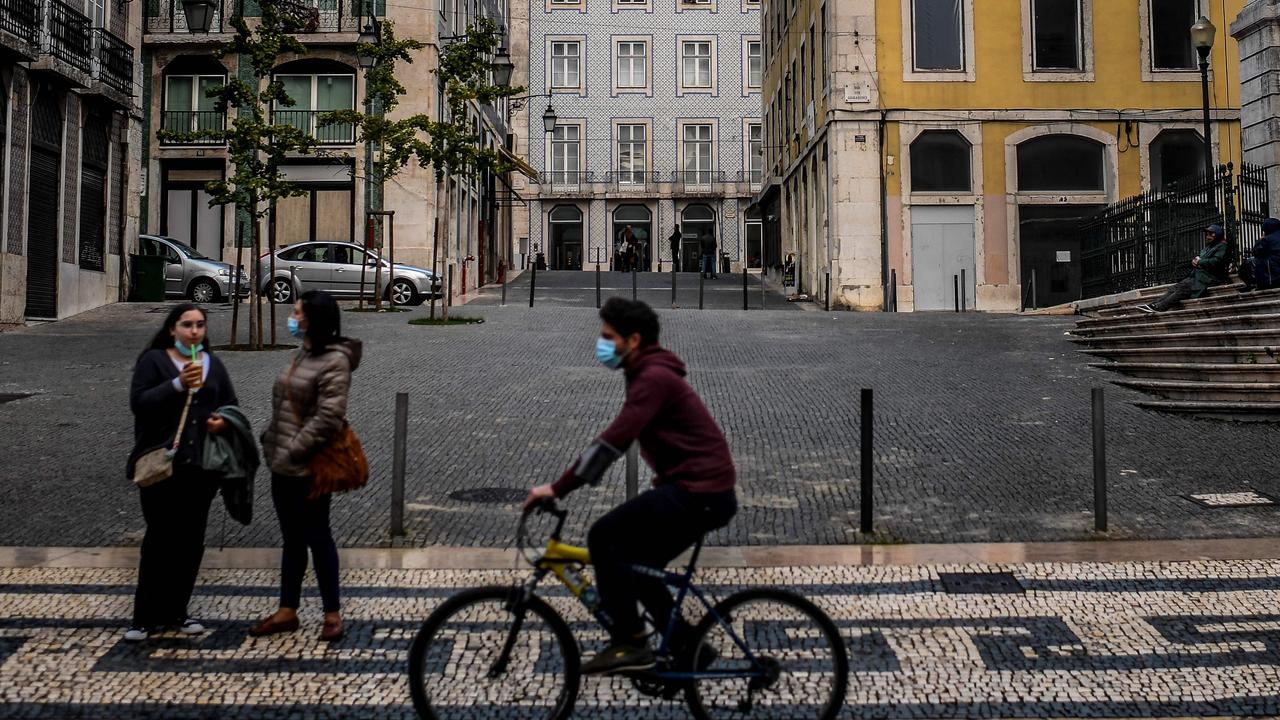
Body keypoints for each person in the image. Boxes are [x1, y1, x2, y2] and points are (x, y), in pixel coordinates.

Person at [524, 298, 737, 675]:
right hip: (699, 489)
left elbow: (615, 440)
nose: (601, 345)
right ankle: (689, 647)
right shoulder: (646, 372)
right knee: (638, 567)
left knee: (604, 536)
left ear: (633, 340)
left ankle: (631, 641)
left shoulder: (653, 378)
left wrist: (558, 489)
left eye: (608, 337)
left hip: (700, 491)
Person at [252, 290, 362, 642]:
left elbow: (328, 417)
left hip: (309, 465)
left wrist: (293, 451)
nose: (291, 317)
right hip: (282, 462)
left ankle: (332, 614)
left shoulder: (334, 361)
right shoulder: (304, 353)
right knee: (292, 540)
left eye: (296, 312)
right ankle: (287, 610)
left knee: (318, 536)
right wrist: (271, 437)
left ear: (313, 319)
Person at [126, 304, 239, 642]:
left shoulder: (212, 365)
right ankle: (144, 616)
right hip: (161, 467)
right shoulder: (154, 361)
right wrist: (176, 384)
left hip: (200, 469)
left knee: (191, 543)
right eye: (187, 325)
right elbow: (139, 403)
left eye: (200, 325)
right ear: (172, 329)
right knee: (160, 540)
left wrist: (222, 420)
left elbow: (231, 404)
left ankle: (178, 610)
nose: (194, 331)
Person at [1138, 224, 1231, 313]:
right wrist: (1195, 261)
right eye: (1207, 233)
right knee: (1173, 288)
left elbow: (1216, 261)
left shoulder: (1222, 245)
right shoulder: (1208, 247)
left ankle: (1160, 307)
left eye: (1211, 234)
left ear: (1217, 234)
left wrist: (1200, 262)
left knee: (1183, 288)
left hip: (1209, 278)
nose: (1207, 236)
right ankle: (1153, 305)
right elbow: (1202, 258)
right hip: (1198, 276)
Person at [1239, 218, 1280, 292]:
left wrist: (1261, 240)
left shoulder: (1268, 239)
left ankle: (1253, 284)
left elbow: (1257, 251)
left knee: (1248, 263)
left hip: (1274, 270)